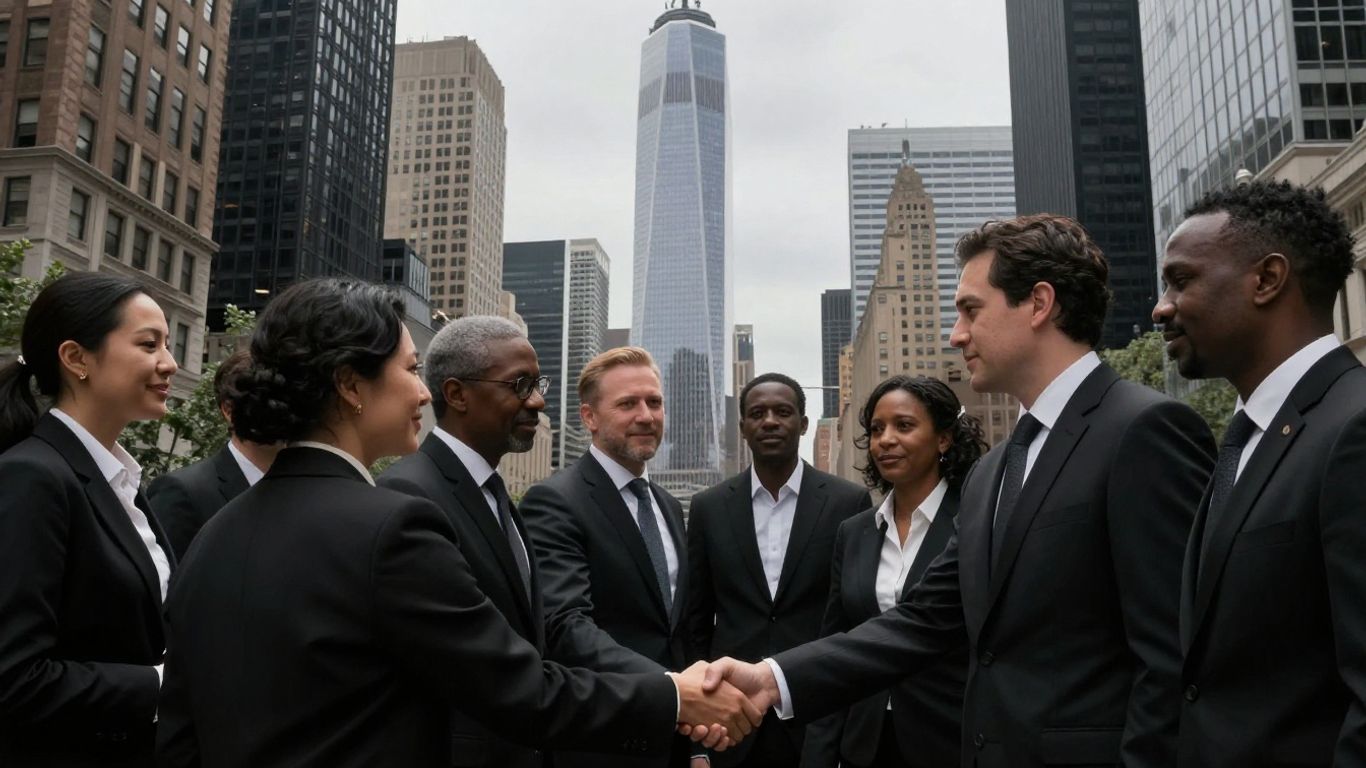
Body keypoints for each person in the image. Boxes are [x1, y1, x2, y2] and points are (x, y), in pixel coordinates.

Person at [155, 280, 759, 768]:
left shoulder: (214, 533)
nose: (422, 392)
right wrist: (674, 694)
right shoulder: (393, 526)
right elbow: (519, 689)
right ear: (350, 386)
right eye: (410, 368)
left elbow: (180, 727)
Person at [699, 214, 1218, 768]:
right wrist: (771, 679)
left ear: (1039, 304)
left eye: (971, 310)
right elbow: (924, 619)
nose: (956, 334)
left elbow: (1175, 660)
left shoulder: (1145, 431)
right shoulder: (994, 469)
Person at [1152, 180, 1366, 767]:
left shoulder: (1354, 430)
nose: (1161, 305)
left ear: (1267, 280)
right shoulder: (1248, 439)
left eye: (1182, 279)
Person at [0, 272, 178, 767]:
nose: (170, 362)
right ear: (76, 358)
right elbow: (15, 677)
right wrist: (164, 685)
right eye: (149, 344)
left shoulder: (120, 481)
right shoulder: (32, 478)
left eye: (167, 343)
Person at [377, 315, 556, 768]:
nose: (535, 402)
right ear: (456, 394)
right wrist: (670, 698)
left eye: (539, 384)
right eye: (519, 384)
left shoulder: (498, 496)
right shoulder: (410, 497)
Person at [520, 346, 698, 768]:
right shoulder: (555, 501)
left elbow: (679, 631)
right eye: (627, 404)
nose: (646, 416)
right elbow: (565, 626)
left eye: (654, 402)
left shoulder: (668, 506)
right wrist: (672, 687)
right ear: (589, 418)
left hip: (673, 738)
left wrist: (697, 743)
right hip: (601, 743)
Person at [685, 372, 871, 768]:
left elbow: (853, 624)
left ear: (803, 424)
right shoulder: (708, 508)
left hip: (817, 716)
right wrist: (697, 742)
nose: (769, 421)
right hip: (729, 722)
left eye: (783, 412)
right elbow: (694, 623)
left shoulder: (848, 502)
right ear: (743, 428)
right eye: (757, 413)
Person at [803, 376, 984, 768]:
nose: (885, 440)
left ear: (944, 439)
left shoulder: (975, 522)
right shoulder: (853, 533)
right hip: (864, 747)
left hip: (953, 741)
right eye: (876, 429)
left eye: (904, 426)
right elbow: (838, 646)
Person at [147, 349, 281, 558]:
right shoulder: (182, 492)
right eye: (265, 400)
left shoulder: (307, 490)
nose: (280, 410)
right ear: (228, 410)